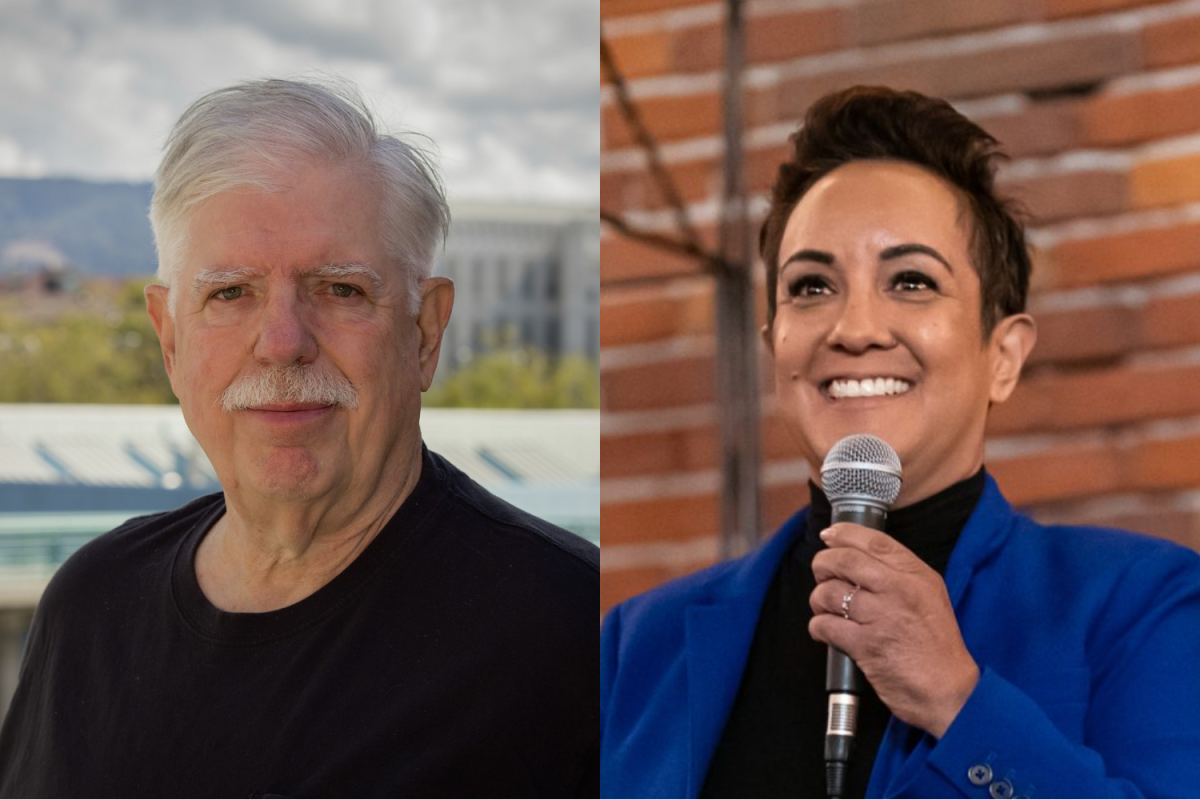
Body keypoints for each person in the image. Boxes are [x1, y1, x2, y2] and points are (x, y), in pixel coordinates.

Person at [0, 78, 598, 797]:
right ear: (170, 342)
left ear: (425, 331)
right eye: (230, 294)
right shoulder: (91, 611)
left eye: (340, 289)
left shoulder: (573, 633)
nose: (282, 343)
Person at [599, 86, 1200, 798]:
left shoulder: (1141, 606)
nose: (853, 329)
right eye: (812, 287)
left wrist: (958, 700)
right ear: (774, 347)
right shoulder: (635, 646)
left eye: (911, 281)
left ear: (1002, 355)